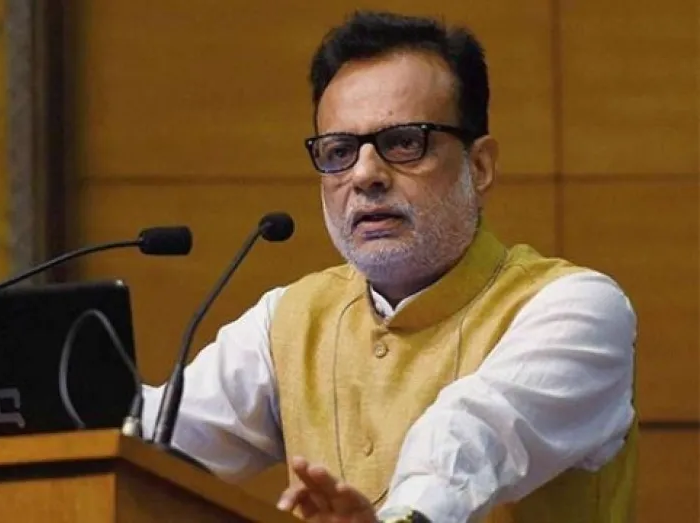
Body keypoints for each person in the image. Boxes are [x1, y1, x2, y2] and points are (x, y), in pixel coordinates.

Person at [141, 10, 637, 523]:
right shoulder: (291, 320)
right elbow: (153, 436)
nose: (365, 175)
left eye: (404, 143)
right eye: (339, 150)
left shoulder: (576, 308)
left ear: (480, 165)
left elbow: (476, 433)